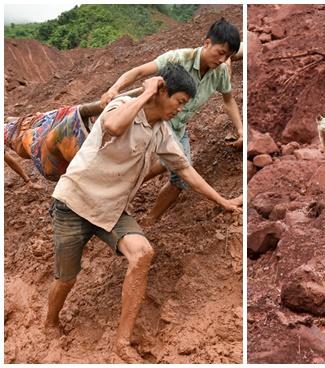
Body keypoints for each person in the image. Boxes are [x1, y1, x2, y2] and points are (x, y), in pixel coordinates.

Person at [44, 63, 242, 363]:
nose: (180, 110)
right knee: (66, 280)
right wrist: (146, 91)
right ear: (162, 92)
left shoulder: (162, 132)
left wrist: (223, 201)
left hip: (110, 210)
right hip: (75, 203)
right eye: (179, 101)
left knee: (143, 253)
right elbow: (112, 126)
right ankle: (51, 320)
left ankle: (122, 342)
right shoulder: (123, 105)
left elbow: (185, 170)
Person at [101, 18, 242, 226]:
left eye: (228, 56)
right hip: (157, 123)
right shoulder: (178, 58)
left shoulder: (220, 72)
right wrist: (115, 88)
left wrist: (240, 130)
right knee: (152, 166)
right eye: (220, 52)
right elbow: (139, 72)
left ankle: (151, 219)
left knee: (180, 178)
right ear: (207, 43)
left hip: (179, 128)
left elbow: (228, 99)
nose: (223, 59)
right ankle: (113, 203)